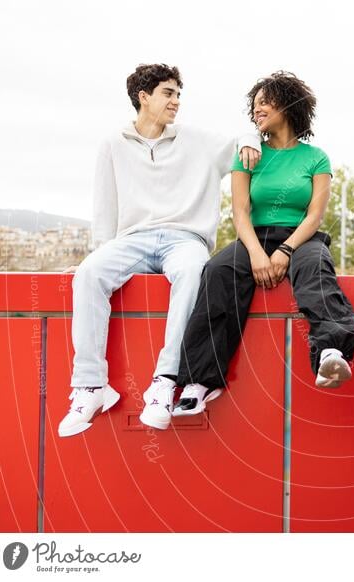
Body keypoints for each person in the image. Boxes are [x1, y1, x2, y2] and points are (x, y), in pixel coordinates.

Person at [57, 63, 261, 437]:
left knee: (192, 274)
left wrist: (249, 137)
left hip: (185, 239)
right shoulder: (112, 144)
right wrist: (100, 256)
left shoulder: (196, 140)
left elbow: (240, 139)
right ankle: (90, 386)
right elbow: (105, 206)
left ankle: (164, 382)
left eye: (179, 94)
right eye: (168, 93)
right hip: (132, 239)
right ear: (143, 97)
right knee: (89, 273)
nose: (176, 102)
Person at [171, 71, 354, 417]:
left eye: (265, 102)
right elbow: (240, 213)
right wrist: (258, 254)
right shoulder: (247, 154)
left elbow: (314, 215)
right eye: (254, 105)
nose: (257, 110)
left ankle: (331, 352)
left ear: (287, 105)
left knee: (315, 265)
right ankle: (199, 382)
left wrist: (286, 250)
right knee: (217, 271)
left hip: (301, 236)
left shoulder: (316, 158)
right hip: (253, 237)